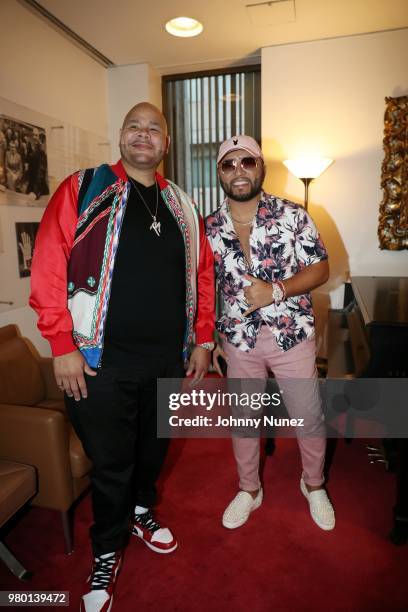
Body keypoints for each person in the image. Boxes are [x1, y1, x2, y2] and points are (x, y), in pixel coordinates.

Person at [30, 102, 215, 612]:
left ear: (165, 143)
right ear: (121, 135)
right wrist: (61, 343)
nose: (143, 134)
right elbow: (48, 262)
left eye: (153, 128)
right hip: (97, 362)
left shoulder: (181, 204)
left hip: (167, 360)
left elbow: (202, 276)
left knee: (153, 449)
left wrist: (202, 339)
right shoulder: (84, 187)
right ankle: (106, 551)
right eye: (134, 126)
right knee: (111, 463)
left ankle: (141, 507)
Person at [205, 135, 335, 532]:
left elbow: (320, 268)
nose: (238, 171)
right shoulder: (209, 226)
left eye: (247, 162)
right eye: (229, 164)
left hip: (291, 334)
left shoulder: (293, 214)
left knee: (308, 415)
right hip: (238, 340)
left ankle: (313, 484)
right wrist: (209, 337)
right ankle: (249, 490)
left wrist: (276, 290)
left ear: (261, 167)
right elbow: (203, 285)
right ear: (220, 173)